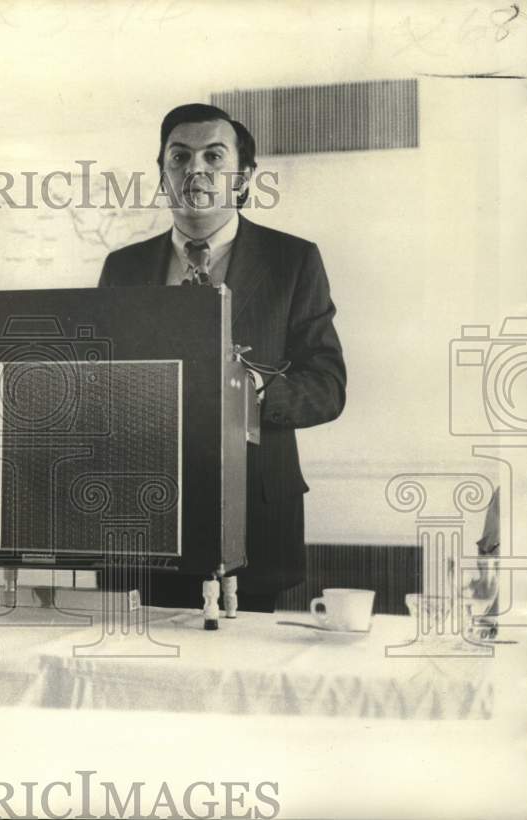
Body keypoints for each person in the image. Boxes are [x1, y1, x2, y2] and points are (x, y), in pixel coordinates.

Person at [98, 103, 346, 611]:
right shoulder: (122, 267)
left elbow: (328, 386)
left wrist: (251, 389)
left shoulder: (293, 262)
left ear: (243, 175)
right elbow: (102, 387)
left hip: (256, 519)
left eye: (214, 156)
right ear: (163, 174)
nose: (196, 170)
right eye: (180, 157)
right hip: (147, 520)